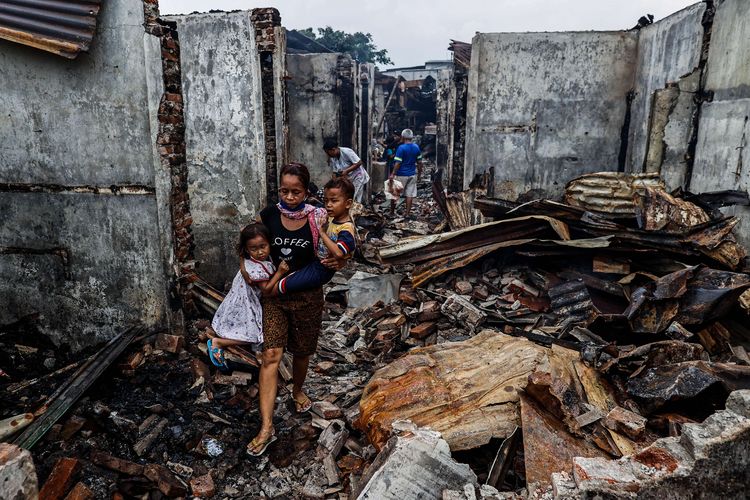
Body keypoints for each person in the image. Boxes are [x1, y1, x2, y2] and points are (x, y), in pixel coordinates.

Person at [245, 163, 346, 456]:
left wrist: (341, 260)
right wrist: (246, 269)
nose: (289, 197)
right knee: (271, 355)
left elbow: (339, 247)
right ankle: (266, 427)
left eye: (296, 191)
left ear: (306, 190)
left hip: (307, 296)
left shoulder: (318, 217)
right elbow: (248, 246)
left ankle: (297, 389)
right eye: (284, 191)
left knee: (302, 352)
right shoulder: (267, 216)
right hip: (274, 296)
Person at [207, 224, 289, 371]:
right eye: (254, 249)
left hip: (243, 296)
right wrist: (280, 273)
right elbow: (266, 290)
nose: (259, 252)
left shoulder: (251, 258)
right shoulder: (256, 268)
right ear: (247, 249)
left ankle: (255, 350)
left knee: (246, 325)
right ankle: (218, 342)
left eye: (263, 246)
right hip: (247, 299)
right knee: (255, 334)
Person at [275, 176, 356, 295]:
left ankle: (268, 292)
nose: (328, 205)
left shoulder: (344, 227)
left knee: (282, 286)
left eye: (334, 201)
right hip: (316, 263)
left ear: (348, 203)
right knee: (288, 281)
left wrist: (322, 233)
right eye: (326, 200)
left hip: (322, 268)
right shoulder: (330, 217)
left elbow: (339, 252)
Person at [323, 139, 370, 204]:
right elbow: (334, 172)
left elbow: (359, 163)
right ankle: (356, 209)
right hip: (349, 178)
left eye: (328, 152)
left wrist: (346, 171)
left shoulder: (346, 151)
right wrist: (333, 183)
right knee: (352, 196)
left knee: (352, 195)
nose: (327, 154)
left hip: (358, 176)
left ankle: (355, 210)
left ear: (333, 149)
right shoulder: (333, 158)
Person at [389, 128, 423, 218]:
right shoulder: (416, 147)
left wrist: (393, 174)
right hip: (412, 174)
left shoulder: (401, 148)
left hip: (401, 174)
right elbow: (420, 162)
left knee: (395, 194)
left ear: (403, 137)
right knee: (409, 194)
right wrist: (419, 174)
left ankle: (392, 213)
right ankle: (407, 214)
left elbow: (398, 163)